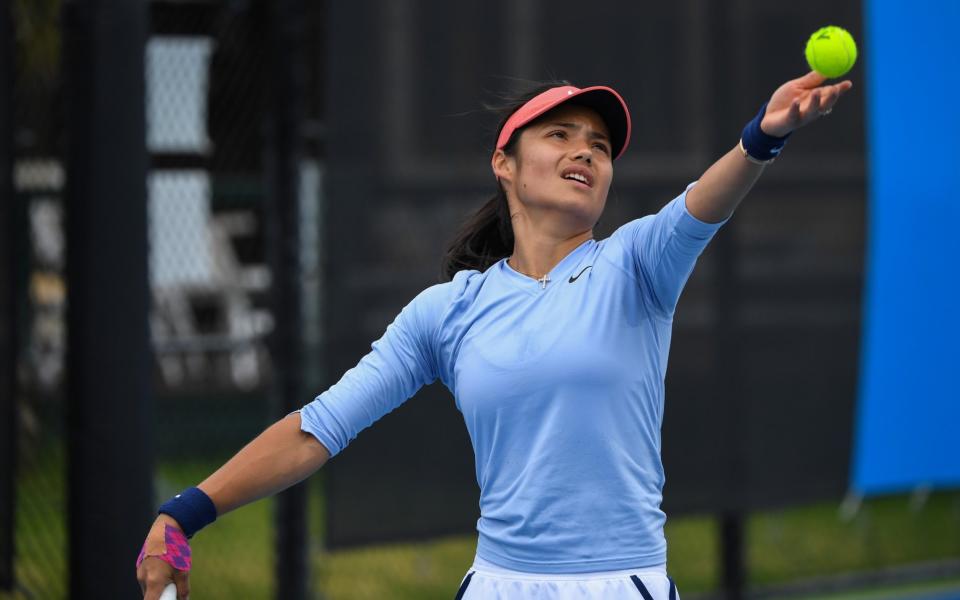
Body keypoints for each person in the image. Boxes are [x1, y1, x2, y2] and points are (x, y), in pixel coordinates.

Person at [137, 71, 852, 600]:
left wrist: (764, 136)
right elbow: (315, 429)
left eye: (600, 145)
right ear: (505, 164)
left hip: (621, 582)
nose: (586, 152)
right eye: (560, 135)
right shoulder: (445, 313)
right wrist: (184, 512)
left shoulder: (637, 265)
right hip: (499, 584)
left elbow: (706, 202)